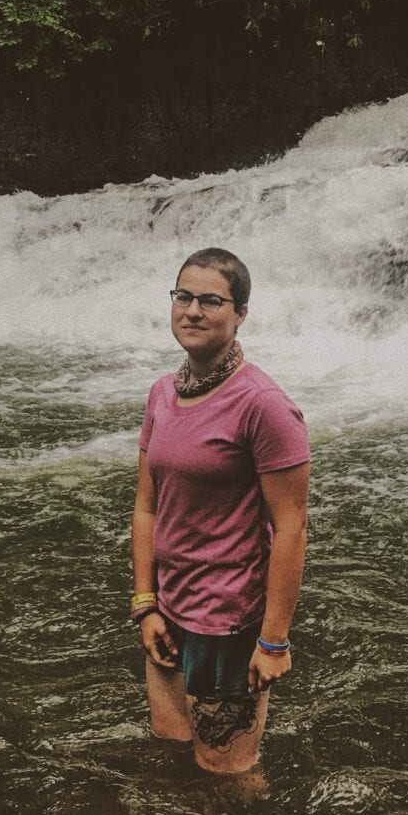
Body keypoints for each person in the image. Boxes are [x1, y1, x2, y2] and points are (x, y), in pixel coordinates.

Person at [130, 247, 310, 774]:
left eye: (211, 301)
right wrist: (145, 602)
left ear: (240, 314)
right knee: (171, 758)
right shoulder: (162, 393)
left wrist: (274, 640)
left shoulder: (264, 405)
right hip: (168, 610)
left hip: (226, 620)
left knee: (226, 776)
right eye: (183, 296)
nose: (192, 310)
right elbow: (146, 506)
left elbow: (292, 527)